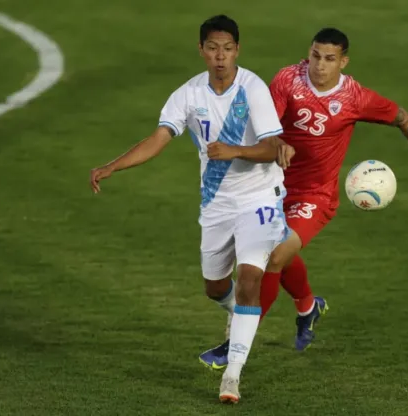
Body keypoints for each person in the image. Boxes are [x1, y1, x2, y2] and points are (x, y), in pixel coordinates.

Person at [199, 27, 408, 369]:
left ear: (343, 62)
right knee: (273, 254)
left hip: (315, 195)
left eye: (329, 59)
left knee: (273, 256)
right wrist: (276, 142)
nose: (319, 65)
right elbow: (265, 121)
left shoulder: (355, 98)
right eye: (315, 55)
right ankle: (308, 306)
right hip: (269, 186)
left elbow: (404, 119)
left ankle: (236, 345)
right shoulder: (289, 79)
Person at [89, 15, 295, 404]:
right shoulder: (187, 94)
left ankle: (232, 376)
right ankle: (237, 315)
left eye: (228, 48)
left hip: (259, 197)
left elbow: (272, 146)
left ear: (238, 50)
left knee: (250, 278)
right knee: (215, 286)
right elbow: (157, 139)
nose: (221, 57)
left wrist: (234, 150)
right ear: (201, 49)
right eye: (213, 48)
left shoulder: (253, 88)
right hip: (216, 203)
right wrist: (112, 165)